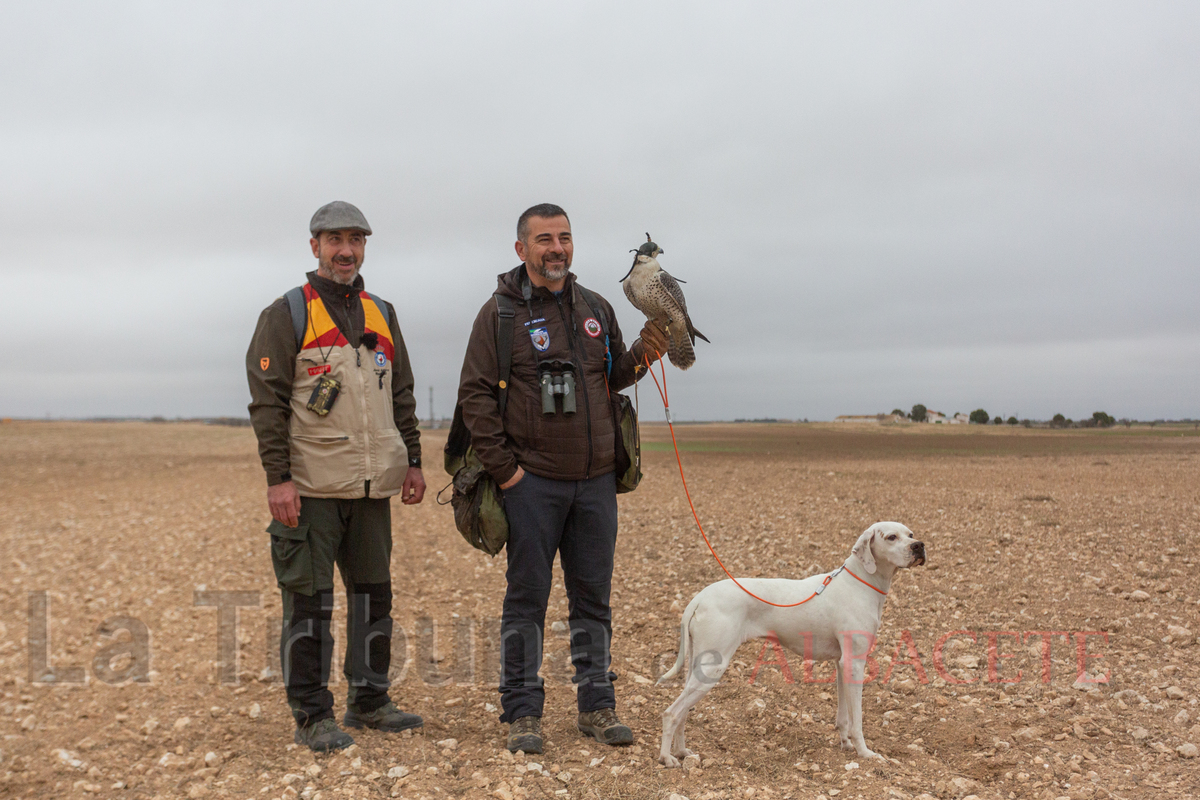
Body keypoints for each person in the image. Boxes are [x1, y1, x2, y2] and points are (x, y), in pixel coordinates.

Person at [456, 203, 669, 754]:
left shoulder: (595, 306)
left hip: (596, 482)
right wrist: (508, 475)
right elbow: (475, 398)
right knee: (527, 599)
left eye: (565, 238)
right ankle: (522, 713)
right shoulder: (498, 315)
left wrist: (647, 350)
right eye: (545, 239)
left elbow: (612, 374)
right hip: (533, 485)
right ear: (522, 249)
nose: (557, 248)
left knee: (593, 600)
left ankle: (597, 708)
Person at [246, 201, 426, 752]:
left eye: (356, 239)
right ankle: (312, 715)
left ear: (365, 246)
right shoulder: (288, 313)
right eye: (334, 239)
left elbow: (401, 394)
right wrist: (279, 478)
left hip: (373, 487)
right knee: (310, 603)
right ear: (315, 247)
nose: (345, 249)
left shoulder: (383, 312)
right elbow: (267, 403)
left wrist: (413, 460)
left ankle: (369, 701)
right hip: (312, 490)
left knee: (375, 598)